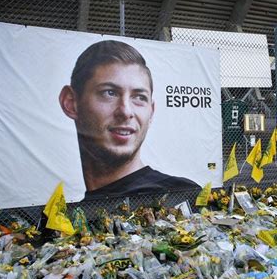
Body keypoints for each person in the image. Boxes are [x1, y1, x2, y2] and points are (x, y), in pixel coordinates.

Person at [59, 40, 200, 199]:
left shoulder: (181, 196)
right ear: (70, 103)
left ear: (151, 112)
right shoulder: (61, 214)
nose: (126, 112)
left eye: (139, 97)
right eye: (109, 93)